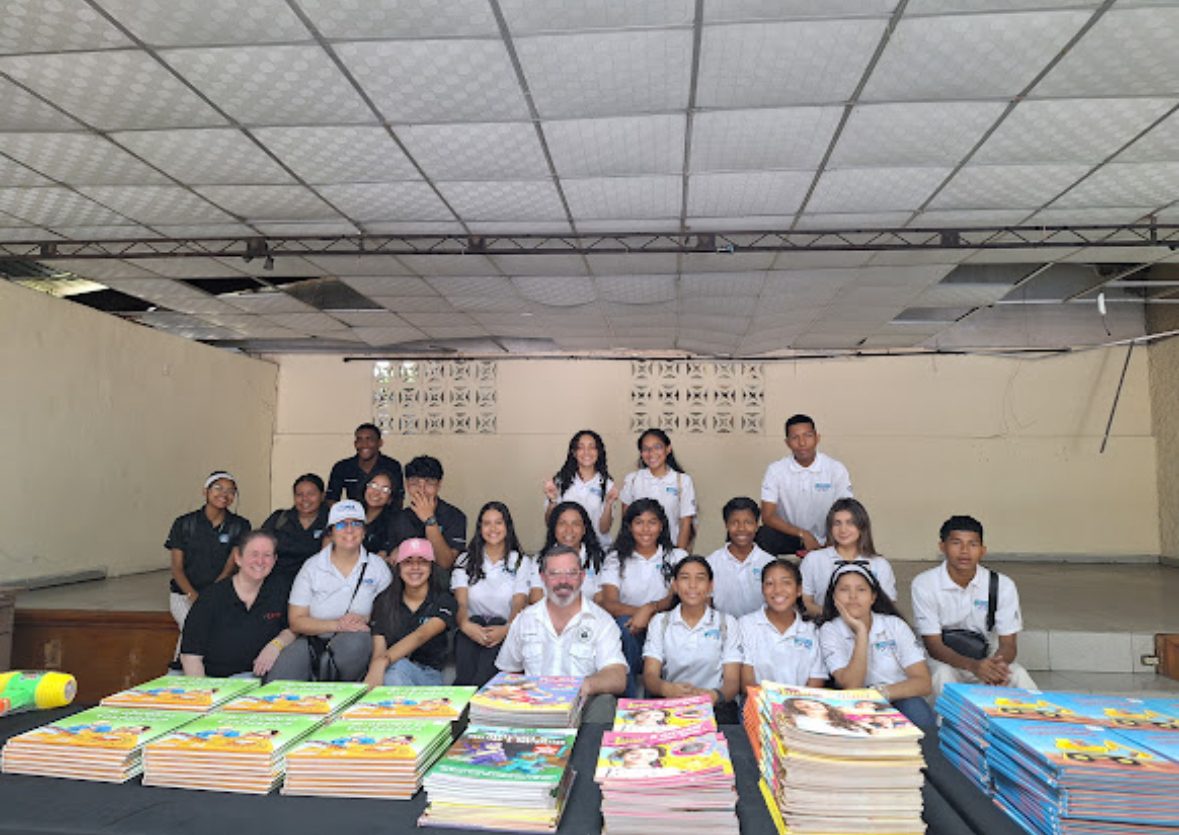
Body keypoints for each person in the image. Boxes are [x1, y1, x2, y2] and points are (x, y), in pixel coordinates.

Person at [266, 499, 392, 682]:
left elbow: (388, 616)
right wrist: (337, 625)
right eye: (341, 524)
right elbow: (296, 621)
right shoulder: (312, 566)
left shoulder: (378, 567)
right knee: (281, 680)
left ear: (364, 531)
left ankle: (344, 691)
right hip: (313, 643)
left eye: (356, 524)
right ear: (331, 532)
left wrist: (365, 619)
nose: (349, 530)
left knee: (355, 642)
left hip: (357, 646)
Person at [910, 515, 1037, 697]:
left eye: (973, 544)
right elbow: (933, 645)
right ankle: (949, 717)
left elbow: (1008, 643)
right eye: (956, 543)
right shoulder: (925, 583)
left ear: (983, 550)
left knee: (1018, 674)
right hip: (942, 659)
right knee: (942, 675)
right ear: (942, 547)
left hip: (985, 655)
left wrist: (996, 667)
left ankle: (1039, 715)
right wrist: (973, 666)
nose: (964, 551)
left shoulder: (1002, 584)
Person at [496, 545, 628, 704]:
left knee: (605, 703)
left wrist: (583, 686)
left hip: (581, 707)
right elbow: (508, 672)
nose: (563, 581)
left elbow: (617, 676)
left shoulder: (602, 621)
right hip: (534, 707)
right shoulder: (524, 620)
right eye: (554, 574)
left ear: (582, 577)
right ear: (543, 578)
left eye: (571, 573)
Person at [818, 562, 935, 730]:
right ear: (834, 597)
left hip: (896, 695)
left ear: (873, 597)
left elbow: (923, 683)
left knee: (918, 713)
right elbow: (852, 685)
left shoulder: (895, 625)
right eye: (844, 590)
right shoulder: (830, 630)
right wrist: (861, 632)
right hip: (854, 702)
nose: (853, 596)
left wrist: (878, 694)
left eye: (861, 590)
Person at [599, 499, 688, 696]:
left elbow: (678, 598)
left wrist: (650, 610)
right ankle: (630, 703)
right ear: (629, 527)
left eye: (652, 522)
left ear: (661, 526)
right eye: (639, 522)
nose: (646, 529)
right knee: (623, 626)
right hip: (633, 628)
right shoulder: (616, 557)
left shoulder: (677, 556)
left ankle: (659, 701)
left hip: (667, 628)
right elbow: (609, 603)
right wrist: (641, 613)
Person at [179, 530, 294, 679]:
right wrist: (204, 690)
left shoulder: (280, 591)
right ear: (238, 558)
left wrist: (276, 645)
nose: (260, 561)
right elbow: (191, 657)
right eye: (254, 554)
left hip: (253, 678)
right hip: (207, 679)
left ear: (274, 560)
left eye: (267, 555)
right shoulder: (211, 598)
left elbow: (293, 628)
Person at [642, 556, 741, 722]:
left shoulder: (726, 623)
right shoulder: (660, 622)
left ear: (710, 586)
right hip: (671, 703)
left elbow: (732, 682)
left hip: (715, 706)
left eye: (700, 578)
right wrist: (667, 689)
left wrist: (714, 695)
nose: (692, 585)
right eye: (685, 578)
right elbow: (650, 675)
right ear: (675, 585)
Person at [451, 502, 531, 686]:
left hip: (506, 629)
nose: (492, 529)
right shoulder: (465, 560)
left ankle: (476, 690)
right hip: (470, 629)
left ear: (507, 527)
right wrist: (465, 625)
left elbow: (519, 603)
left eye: (498, 523)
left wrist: (507, 629)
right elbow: (461, 603)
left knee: (496, 623)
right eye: (487, 523)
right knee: (474, 623)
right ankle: (467, 689)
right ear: (480, 528)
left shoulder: (520, 561)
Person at [165, 470, 252, 630]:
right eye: (218, 488)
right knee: (194, 627)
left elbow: (230, 567)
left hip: (221, 592)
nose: (224, 494)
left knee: (217, 629)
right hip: (184, 594)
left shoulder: (240, 525)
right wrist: (193, 596)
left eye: (231, 491)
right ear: (205, 491)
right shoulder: (183, 523)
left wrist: (211, 596)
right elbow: (177, 569)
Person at [365, 538, 456, 687]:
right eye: (408, 562)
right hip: (389, 670)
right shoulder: (384, 600)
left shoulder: (444, 600)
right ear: (398, 566)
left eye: (422, 561)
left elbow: (421, 635)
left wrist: (382, 661)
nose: (415, 567)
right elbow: (379, 647)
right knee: (394, 671)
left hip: (428, 675)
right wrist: (377, 668)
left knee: (397, 669)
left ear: (431, 566)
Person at [756, 414, 852, 556]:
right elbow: (768, 516)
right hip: (793, 537)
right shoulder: (776, 470)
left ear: (817, 438)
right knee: (764, 534)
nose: (802, 443)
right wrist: (803, 534)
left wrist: (830, 541)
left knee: (853, 527)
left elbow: (846, 511)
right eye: (795, 438)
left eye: (808, 436)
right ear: (787, 442)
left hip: (831, 537)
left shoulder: (835, 469)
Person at [738, 560, 826, 691]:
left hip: (801, 702)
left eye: (786, 583)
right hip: (758, 701)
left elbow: (816, 682)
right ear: (762, 589)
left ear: (799, 590)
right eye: (770, 583)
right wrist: (775, 702)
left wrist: (794, 702)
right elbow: (747, 682)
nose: (778, 590)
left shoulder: (811, 630)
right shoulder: (746, 625)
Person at [800, 498, 897, 617]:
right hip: (824, 623)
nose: (843, 530)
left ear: (862, 526)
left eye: (850, 523)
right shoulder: (814, 559)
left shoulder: (879, 564)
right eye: (837, 523)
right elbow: (805, 603)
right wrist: (836, 617)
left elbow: (888, 607)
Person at [619, 428, 697, 551]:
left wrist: (679, 555)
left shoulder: (683, 481)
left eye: (657, 447)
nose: (651, 453)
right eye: (646, 449)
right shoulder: (632, 480)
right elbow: (626, 521)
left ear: (668, 449)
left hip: (670, 549)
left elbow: (685, 523)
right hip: (638, 551)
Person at [387, 455, 466, 569]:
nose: (421, 489)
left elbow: (445, 563)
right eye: (415, 482)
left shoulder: (455, 516)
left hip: (441, 579)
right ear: (407, 485)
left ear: (439, 484)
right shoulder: (397, 517)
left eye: (429, 482)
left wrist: (430, 520)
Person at [543, 429, 618, 549]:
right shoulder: (560, 481)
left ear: (599, 452)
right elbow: (550, 523)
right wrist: (552, 500)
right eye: (580, 447)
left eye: (592, 447)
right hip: (565, 548)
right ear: (573, 452)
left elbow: (604, 529)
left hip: (598, 548)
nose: (586, 452)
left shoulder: (607, 484)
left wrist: (608, 504)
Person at [525, 501, 608, 605]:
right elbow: (535, 598)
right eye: (562, 524)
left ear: (584, 529)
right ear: (554, 529)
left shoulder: (597, 558)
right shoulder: (540, 559)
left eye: (575, 524)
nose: (569, 530)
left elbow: (600, 600)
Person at [706, 497, 777, 618]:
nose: (741, 528)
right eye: (734, 522)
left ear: (756, 525)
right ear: (726, 525)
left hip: (761, 627)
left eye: (748, 522)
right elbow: (706, 604)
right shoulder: (711, 562)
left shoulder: (770, 563)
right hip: (723, 626)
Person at [261, 473, 329, 586]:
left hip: (317, 585)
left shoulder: (332, 522)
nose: (305, 499)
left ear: (322, 496)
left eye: (311, 494)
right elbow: (259, 547)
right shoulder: (280, 519)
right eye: (299, 494)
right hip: (277, 585)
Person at [326, 423, 404, 507]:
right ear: (355, 443)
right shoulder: (342, 467)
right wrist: (343, 513)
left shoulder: (392, 466)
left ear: (380, 443)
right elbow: (331, 499)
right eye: (359, 439)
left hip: (384, 514)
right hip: (353, 514)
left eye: (369, 439)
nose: (364, 444)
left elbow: (397, 499)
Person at [360, 470, 397, 559]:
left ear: (390, 498)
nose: (376, 493)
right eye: (373, 485)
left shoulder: (394, 523)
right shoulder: (351, 513)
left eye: (385, 490)